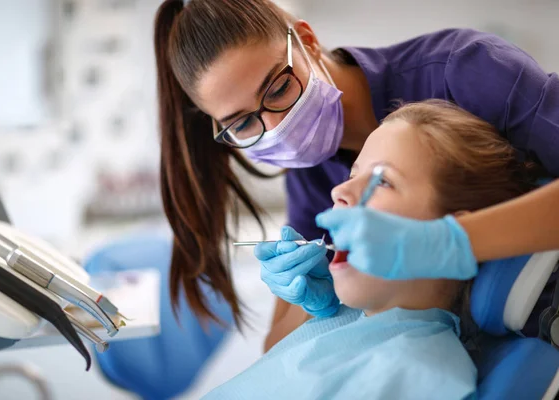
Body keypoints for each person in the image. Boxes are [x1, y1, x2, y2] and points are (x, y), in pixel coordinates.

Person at [154, 0, 559, 349]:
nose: (276, 125)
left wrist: (448, 243)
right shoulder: (311, 174)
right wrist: (319, 300)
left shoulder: (464, 69)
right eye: (242, 123)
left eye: (277, 89)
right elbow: (277, 347)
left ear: (308, 42)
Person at [203, 100, 541, 399]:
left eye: (382, 181)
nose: (339, 190)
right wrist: (309, 308)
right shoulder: (348, 313)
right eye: (352, 173)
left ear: (453, 228)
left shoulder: (418, 376)